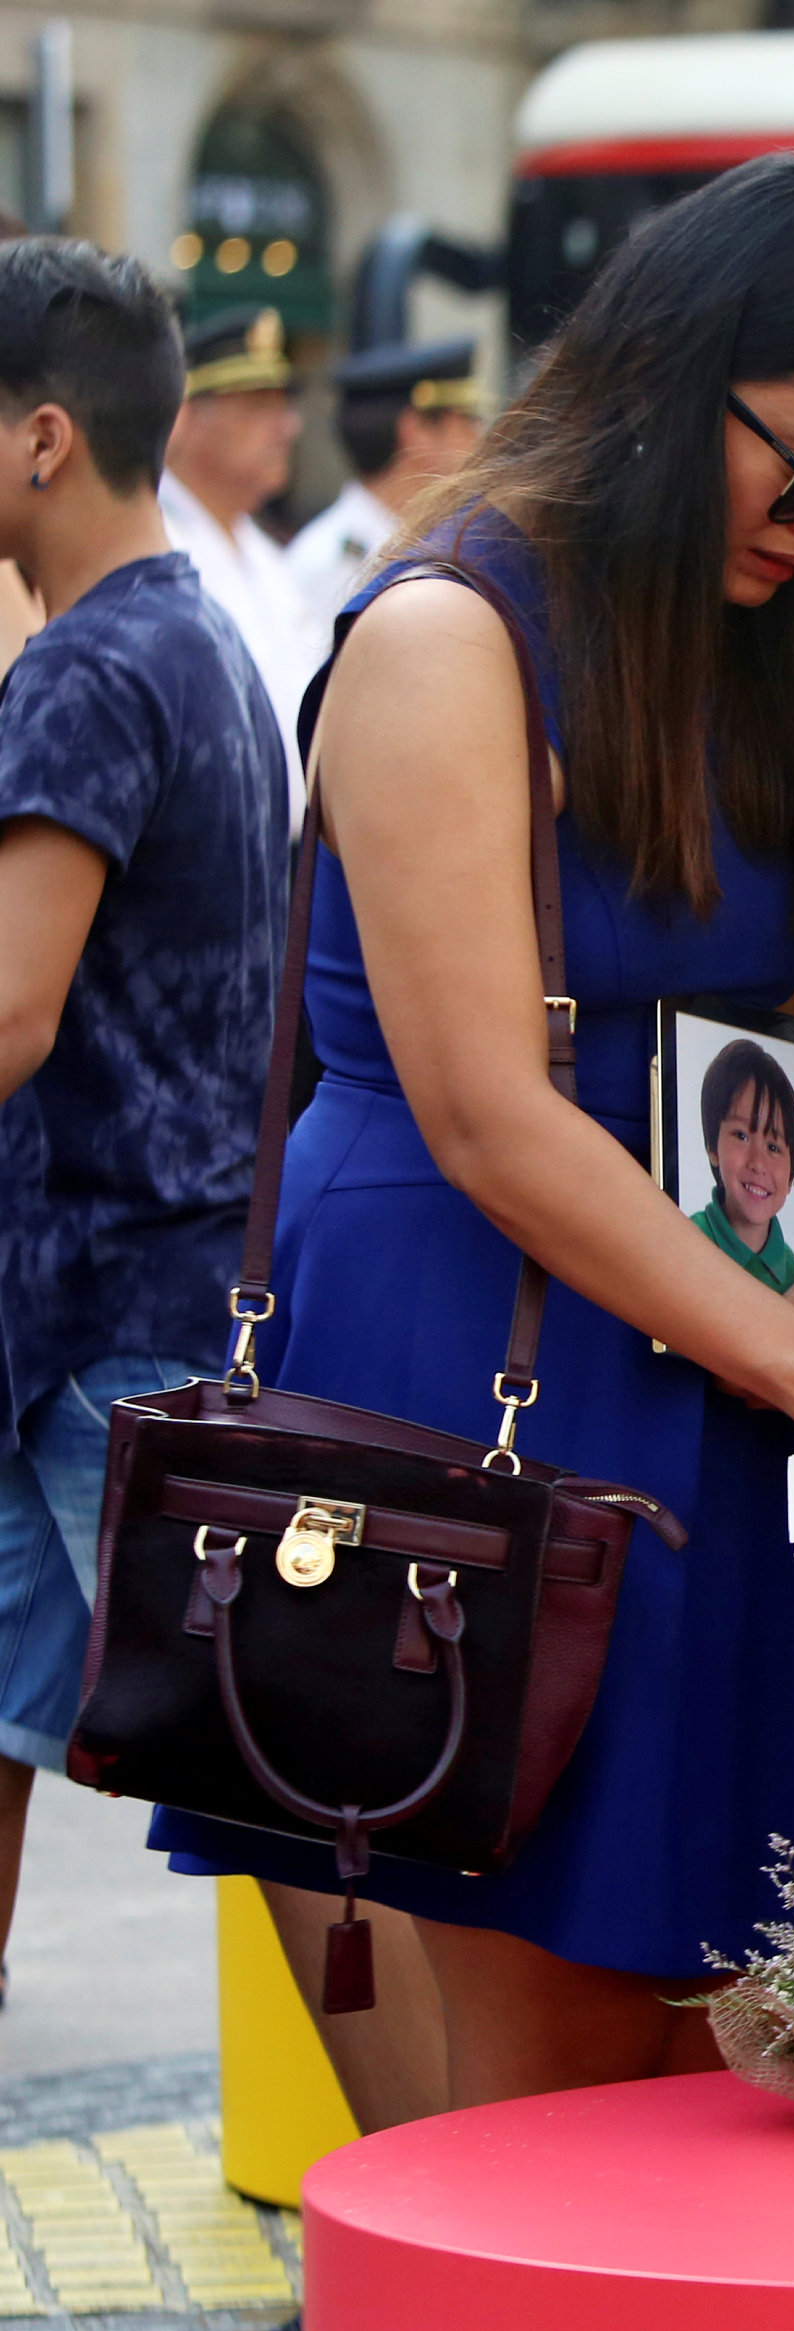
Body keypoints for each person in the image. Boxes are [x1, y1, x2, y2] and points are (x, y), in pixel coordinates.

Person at [148, 156, 794, 2119]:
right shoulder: (446, 634)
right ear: (672, 374)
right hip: (477, 1363)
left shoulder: (757, 656)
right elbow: (487, 1111)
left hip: (721, 1374)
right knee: (523, 2114)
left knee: (717, 2094)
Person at [0, 242, 289, 2005]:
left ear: (43, 438)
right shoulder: (196, 637)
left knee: (268, 1784)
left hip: (101, 1321)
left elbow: (11, 1009)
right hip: (136, 1316)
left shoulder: (87, 673)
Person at [159, 308, 310, 815]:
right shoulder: (159, 547)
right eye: (257, 404)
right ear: (186, 416)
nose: (286, 426)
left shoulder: (268, 556)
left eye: (283, 403)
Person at [284, 337, 485, 649]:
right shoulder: (332, 560)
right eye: (466, 420)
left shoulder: (432, 539)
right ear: (415, 430)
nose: (477, 438)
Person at [690, 1039, 794, 1293]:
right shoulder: (687, 1240)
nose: (758, 1163)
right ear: (712, 1148)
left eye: (774, 1147)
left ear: (791, 1176)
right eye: (741, 1136)